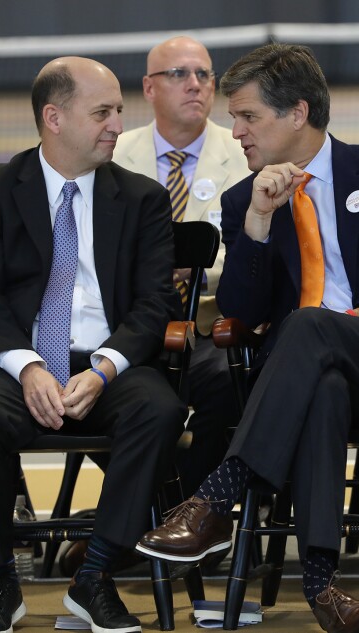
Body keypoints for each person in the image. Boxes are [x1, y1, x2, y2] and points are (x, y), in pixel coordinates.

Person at [135, 43, 359, 633]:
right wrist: (257, 223)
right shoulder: (244, 198)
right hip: (308, 375)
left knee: (312, 326)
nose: (235, 134)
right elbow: (238, 312)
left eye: (248, 117)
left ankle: (213, 498)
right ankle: (323, 588)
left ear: (297, 113)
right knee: (323, 384)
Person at [0, 57, 187, 633]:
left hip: (110, 366)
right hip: (19, 366)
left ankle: (95, 577)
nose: (117, 125)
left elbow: (156, 305)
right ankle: (0, 581)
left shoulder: (144, 198)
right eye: (102, 112)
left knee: (161, 409)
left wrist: (103, 369)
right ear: (53, 118)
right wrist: (27, 367)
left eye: (119, 111)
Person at [112, 35, 251, 497]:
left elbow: (257, 245)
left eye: (203, 74)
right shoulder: (112, 155)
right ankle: (164, 505)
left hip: (212, 325)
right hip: (127, 323)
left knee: (230, 385)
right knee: (105, 392)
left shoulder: (246, 153)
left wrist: (200, 271)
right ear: (149, 89)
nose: (195, 84)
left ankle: (183, 505)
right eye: (178, 74)